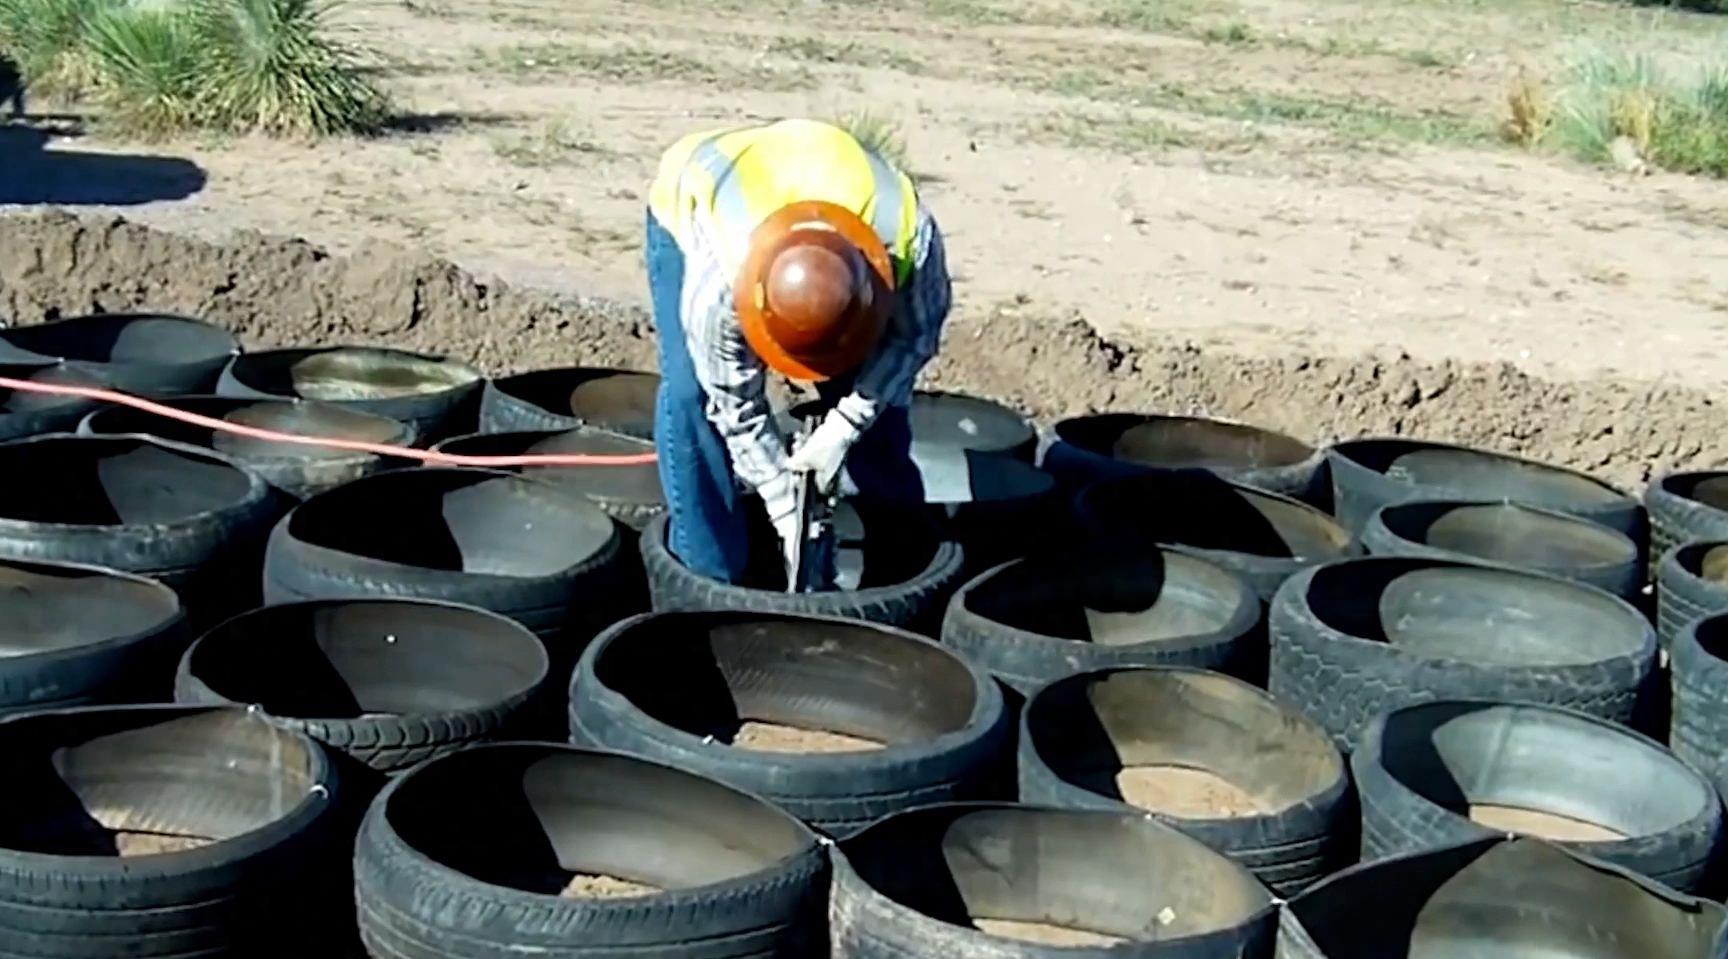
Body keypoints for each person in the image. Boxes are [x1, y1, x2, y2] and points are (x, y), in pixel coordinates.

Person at [644, 117, 952, 587]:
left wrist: (844, 427)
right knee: (689, 399)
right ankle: (711, 575)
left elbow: (912, 341)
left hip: (824, 190)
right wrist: (782, 501)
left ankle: (897, 573)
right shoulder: (719, 283)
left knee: (880, 417)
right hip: (693, 191)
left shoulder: (911, 241)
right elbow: (733, 404)